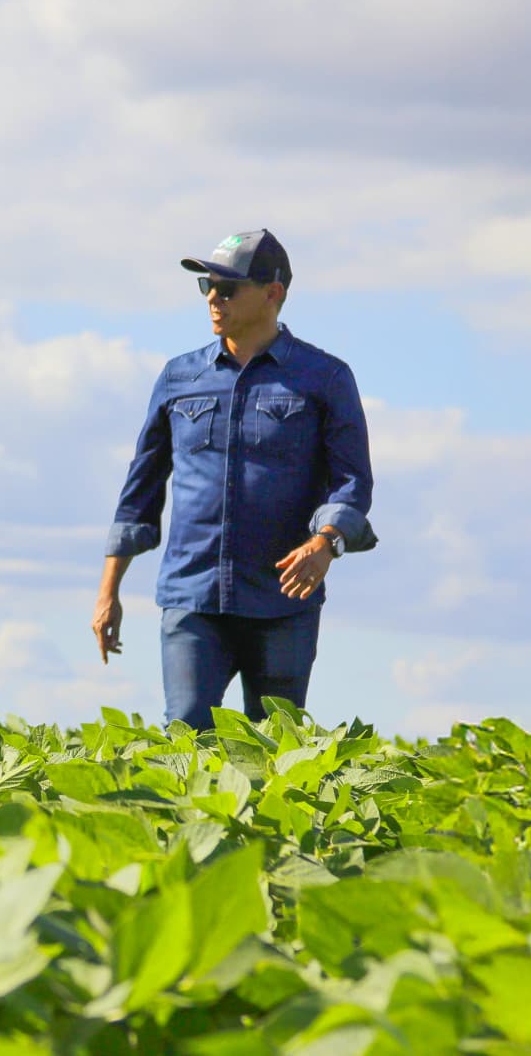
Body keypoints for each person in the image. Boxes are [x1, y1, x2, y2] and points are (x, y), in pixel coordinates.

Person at [91, 229, 374, 730]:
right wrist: (108, 590)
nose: (213, 299)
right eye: (207, 287)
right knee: (185, 734)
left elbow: (351, 481)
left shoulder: (324, 377)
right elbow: (140, 491)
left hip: (284, 599)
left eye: (228, 288)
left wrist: (325, 544)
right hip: (192, 595)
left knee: (272, 750)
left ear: (273, 293)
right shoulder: (180, 378)